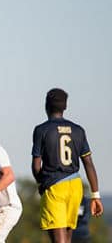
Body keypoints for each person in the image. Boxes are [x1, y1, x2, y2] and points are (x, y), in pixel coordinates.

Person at [31, 88, 103, 243]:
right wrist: (95, 195)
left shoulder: (41, 130)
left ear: (46, 106)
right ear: (65, 107)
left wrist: (40, 183)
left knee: (59, 240)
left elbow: (36, 165)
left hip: (55, 187)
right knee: (67, 238)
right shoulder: (78, 130)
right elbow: (88, 163)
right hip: (75, 187)